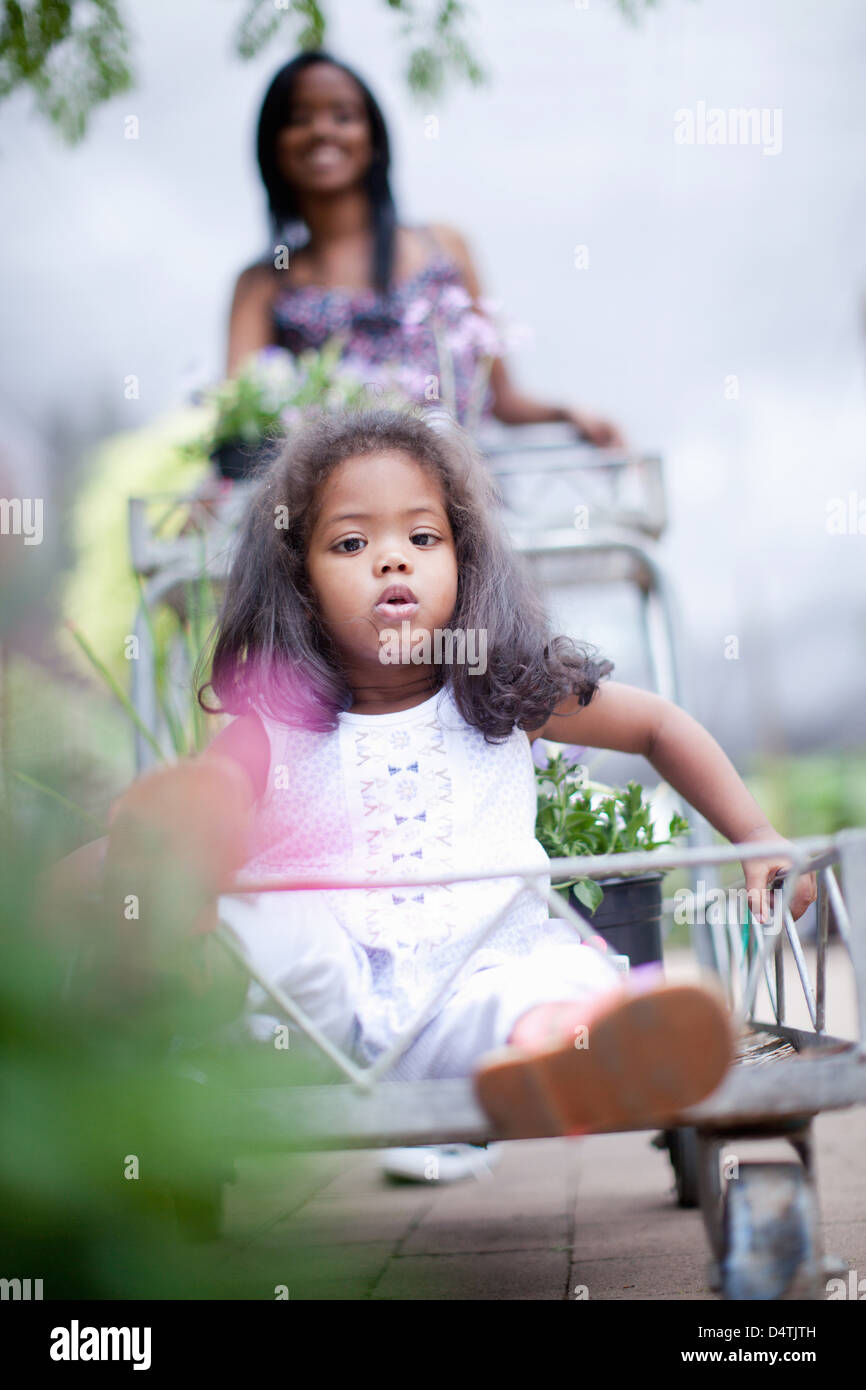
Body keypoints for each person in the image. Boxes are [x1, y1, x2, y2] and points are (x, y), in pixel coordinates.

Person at [89, 406, 815, 1146]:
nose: (392, 558)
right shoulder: (270, 733)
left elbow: (657, 726)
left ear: (465, 562)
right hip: (320, 1013)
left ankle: (566, 1052)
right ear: (299, 582)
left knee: (559, 984)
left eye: (423, 536)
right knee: (260, 921)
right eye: (350, 542)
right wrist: (137, 873)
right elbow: (182, 824)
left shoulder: (500, 695)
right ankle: (163, 1013)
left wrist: (755, 834)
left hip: (478, 987)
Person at [225, 49, 624, 445]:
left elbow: (502, 399)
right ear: (273, 146)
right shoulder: (264, 285)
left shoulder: (444, 248)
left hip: (464, 497)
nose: (322, 131)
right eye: (298, 119)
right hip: (340, 504)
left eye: (343, 116)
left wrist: (566, 412)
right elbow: (238, 419)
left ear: (374, 140)